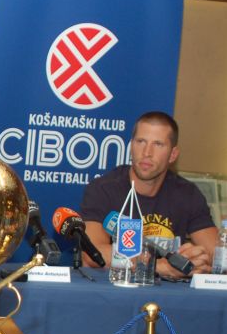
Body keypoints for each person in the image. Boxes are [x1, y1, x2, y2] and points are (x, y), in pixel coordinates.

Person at [80, 111, 216, 278]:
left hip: (169, 291)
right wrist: (158, 267)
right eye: (141, 142)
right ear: (131, 146)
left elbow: (217, 255)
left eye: (158, 144)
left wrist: (195, 259)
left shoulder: (188, 194)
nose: (147, 152)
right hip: (114, 288)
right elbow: (93, 253)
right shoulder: (103, 189)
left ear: (173, 154)